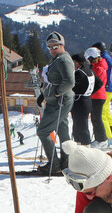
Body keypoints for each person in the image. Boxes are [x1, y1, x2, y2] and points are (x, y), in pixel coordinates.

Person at [35, 31, 75, 174]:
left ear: (62, 45)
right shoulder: (58, 59)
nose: (52, 49)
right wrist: (44, 94)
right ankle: (67, 161)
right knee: (62, 129)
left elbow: (69, 81)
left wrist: (57, 92)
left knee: (43, 131)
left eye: (55, 46)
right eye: (49, 47)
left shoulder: (63, 60)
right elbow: (52, 80)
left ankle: (54, 165)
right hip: (57, 100)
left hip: (59, 101)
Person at [92, 41, 112, 141]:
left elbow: (110, 70)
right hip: (109, 88)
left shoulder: (104, 59)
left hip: (106, 88)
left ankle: (108, 137)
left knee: (102, 113)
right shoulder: (106, 57)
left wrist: (107, 81)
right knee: (106, 112)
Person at [70, 53, 99, 145]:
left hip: (79, 101)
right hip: (87, 99)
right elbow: (99, 83)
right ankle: (81, 146)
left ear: (77, 63)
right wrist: (89, 92)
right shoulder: (89, 71)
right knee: (80, 125)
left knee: (80, 127)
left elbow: (73, 86)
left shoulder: (79, 73)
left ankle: (84, 146)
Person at [85, 47, 109, 149]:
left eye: (90, 59)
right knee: (95, 118)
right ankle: (99, 139)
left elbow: (94, 81)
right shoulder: (97, 66)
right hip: (96, 95)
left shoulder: (99, 68)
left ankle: (101, 140)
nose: (89, 61)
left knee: (96, 118)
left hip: (98, 96)